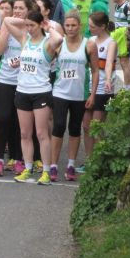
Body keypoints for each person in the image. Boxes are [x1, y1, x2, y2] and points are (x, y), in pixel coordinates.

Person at [3, 10, 63, 185]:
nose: (29, 29)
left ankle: (46, 170)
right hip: (22, 91)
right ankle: (27, 168)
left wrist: (47, 26)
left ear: (40, 25)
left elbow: (59, 39)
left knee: (41, 133)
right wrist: (24, 21)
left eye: (32, 25)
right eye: (27, 25)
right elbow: (7, 20)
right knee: (24, 133)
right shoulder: (24, 39)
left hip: (41, 92)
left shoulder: (47, 43)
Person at [51, 10, 98, 182]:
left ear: (80, 26)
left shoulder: (89, 45)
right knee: (58, 126)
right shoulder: (58, 44)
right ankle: (54, 165)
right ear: (64, 26)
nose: (70, 29)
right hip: (60, 92)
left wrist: (92, 94)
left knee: (74, 128)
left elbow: (94, 70)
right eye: (67, 25)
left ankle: (71, 164)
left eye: (73, 25)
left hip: (79, 94)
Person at [0, 0, 32, 175]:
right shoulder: (7, 25)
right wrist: (6, 30)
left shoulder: (31, 29)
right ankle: (0, 159)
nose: (16, 11)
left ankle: (17, 159)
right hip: (5, 80)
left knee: (19, 123)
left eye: (21, 8)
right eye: (15, 8)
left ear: (28, 11)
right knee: (3, 118)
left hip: (24, 82)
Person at [82, 11, 118, 161]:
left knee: (96, 127)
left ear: (102, 26)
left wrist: (108, 79)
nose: (90, 28)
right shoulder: (90, 40)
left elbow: (108, 63)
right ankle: (89, 160)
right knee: (86, 126)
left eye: (92, 26)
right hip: (88, 88)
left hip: (103, 88)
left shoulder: (111, 43)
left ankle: (100, 160)